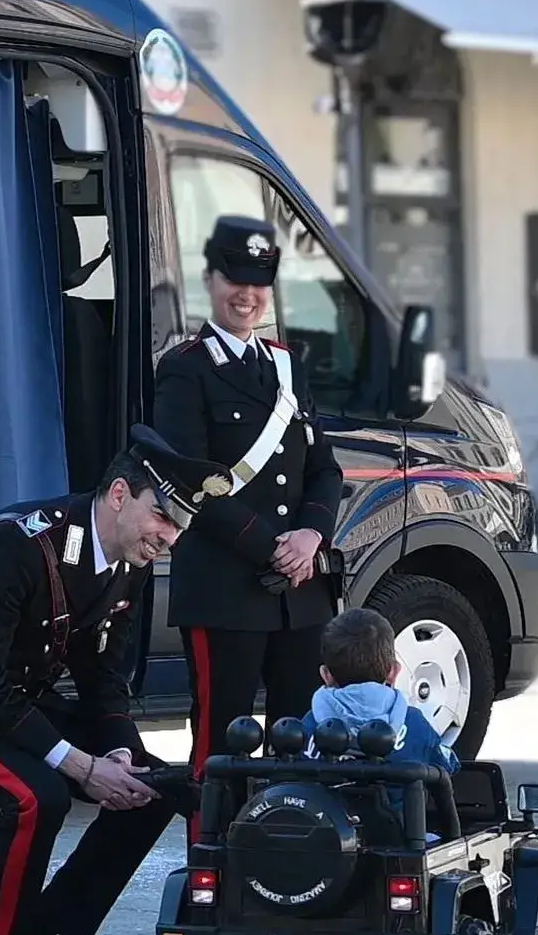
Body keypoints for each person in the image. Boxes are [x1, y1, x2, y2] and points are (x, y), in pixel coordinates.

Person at [0, 424, 234, 935]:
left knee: (151, 788)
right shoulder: (16, 545)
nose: (169, 538)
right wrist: (81, 766)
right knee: (37, 797)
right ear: (119, 494)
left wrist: (118, 754)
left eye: (179, 527)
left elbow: (103, 674)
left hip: (11, 704)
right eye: (161, 515)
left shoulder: (129, 558)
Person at [151, 213, 345, 839]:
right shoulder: (185, 368)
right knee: (220, 746)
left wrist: (311, 536)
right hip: (227, 588)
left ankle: (292, 866)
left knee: (302, 742)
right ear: (210, 279)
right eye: (235, 277)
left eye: (259, 281)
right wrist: (274, 546)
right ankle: (212, 874)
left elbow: (324, 469)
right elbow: (190, 479)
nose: (247, 294)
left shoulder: (287, 366)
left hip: (300, 594)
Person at [301, 606, 460, 774]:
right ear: (394, 672)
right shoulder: (415, 723)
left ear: (326, 675)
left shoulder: (310, 725)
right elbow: (448, 766)